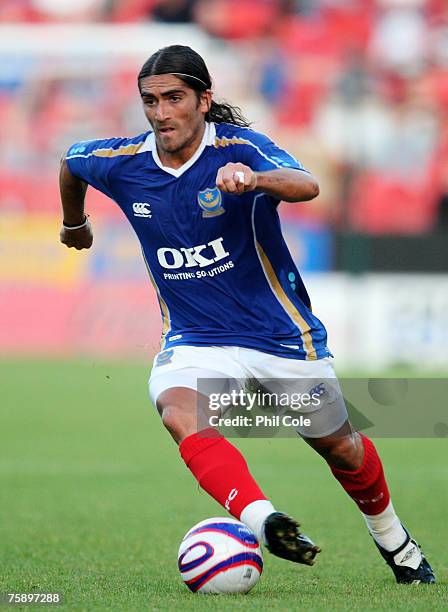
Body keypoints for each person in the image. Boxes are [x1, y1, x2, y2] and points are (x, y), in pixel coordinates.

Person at [59, 45, 435, 583]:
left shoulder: (240, 148)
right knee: (177, 410)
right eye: (150, 101)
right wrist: (75, 224)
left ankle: (396, 544)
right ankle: (265, 520)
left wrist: (253, 180)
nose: (161, 112)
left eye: (174, 98)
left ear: (204, 100)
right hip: (196, 338)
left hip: (278, 337)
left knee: (343, 449)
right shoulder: (123, 162)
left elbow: (307, 184)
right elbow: (71, 164)